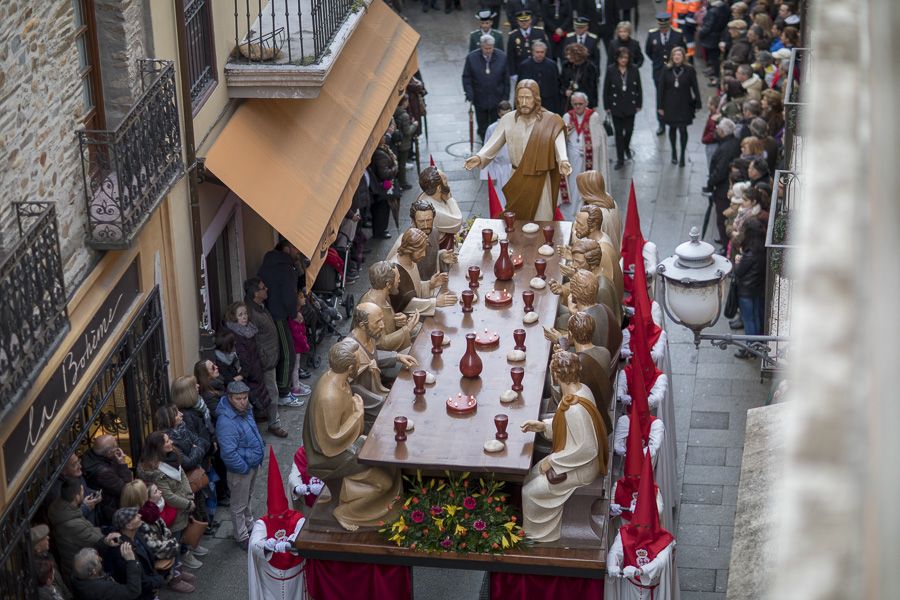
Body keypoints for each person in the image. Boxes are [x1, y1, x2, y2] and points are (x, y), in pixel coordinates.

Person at [303, 339, 402, 531]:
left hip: (343, 446)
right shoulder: (329, 396)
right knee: (384, 481)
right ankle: (346, 512)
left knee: (389, 455)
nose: (360, 365)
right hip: (329, 455)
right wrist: (358, 413)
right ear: (349, 368)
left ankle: (366, 497)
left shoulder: (339, 380)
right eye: (358, 363)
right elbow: (331, 440)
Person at [519, 351, 608, 543]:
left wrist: (552, 461)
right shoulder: (580, 390)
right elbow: (570, 430)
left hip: (581, 467)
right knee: (530, 475)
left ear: (556, 375)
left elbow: (587, 448)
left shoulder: (575, 407)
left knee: (530, 492)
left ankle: (539, 537)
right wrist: (544, 426)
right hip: (571, 461)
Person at [464, 79, 573, 221]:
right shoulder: (508, 120)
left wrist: (563, 160)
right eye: (520, 98)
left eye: (528, 98)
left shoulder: (551, 121)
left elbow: (558, 141)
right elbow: (494, 143)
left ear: (536, 98)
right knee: (516, 221)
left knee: (542, 219)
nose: (523, 102)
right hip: (517, 178)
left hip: (541, 181)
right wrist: (480, 157)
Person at [605, 449, 677, 600]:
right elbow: (615, 551)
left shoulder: (666, 541)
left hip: (654, 590)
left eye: (646, 527)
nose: (641, 531)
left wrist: (639, 571)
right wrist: (612, 565)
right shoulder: (624, 533)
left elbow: (659, 563)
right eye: (638, 527)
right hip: (630, 588)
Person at [136, 431, 207, 568]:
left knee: (185, 529)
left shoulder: (172, 457)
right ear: (158, 448)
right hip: (174, 508)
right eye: (167, 442)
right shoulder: (155, 470)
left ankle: (189, 548)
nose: (171, 443)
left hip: (184, 501)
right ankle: (180, 560)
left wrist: (189, 495)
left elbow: (183, 477)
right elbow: (167, 495)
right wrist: (187, 503)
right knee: (176, 535)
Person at [347, 302, 419, 430]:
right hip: (367, 409)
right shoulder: (352, 351)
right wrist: (381, 402)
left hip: (378, 396)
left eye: (382, 320)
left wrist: (396, 357)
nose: (382, 325)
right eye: (377, 322)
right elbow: (352, 389)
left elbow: (372, 357)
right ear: (362, 325)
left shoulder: (370, 335)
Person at [248, 448, 307, 600]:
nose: (278, 518)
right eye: (274, 515)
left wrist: (292, 542)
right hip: (270, 580)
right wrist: (268, 545)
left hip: (296, 578)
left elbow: (302, 534)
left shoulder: (297, 518)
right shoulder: (262, 523)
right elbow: (254, 543)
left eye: (281, 514)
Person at [216, 381, 266, 549]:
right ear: (230, 398)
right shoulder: (226, 422)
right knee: (239, 504)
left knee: (248, 498)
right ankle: (241, 535)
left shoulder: (246, 410)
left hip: (251, 464)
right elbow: (228, 453)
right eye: (239, 398)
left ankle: (250, 525)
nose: (243, 401)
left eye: (245, 397)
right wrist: (244, 468)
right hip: (241, 469)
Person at [47, 478, 123, 580]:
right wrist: (109, 538)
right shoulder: (73, 525)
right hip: (82, 571)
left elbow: (74, 516)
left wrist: (85, 507)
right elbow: (98, 541)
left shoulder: (61, 507)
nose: (84, 492)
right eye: (82, 490)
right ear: (77, 497)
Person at [257, 240, 303, 407]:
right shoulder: (286, 269)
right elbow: (288, 294)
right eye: (296, 249)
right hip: (279, 315)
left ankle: (289, 385)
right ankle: (284, 391)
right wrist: (294, 313)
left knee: (285, 350)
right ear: (286, 249)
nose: (298, 253)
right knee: (288, 352)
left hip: (270, 311)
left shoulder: (268, 262)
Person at [243, 277, 290, 436]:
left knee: (267, 390)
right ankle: (274, 423)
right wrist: (263, 356)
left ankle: (266, 414)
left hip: (269, 357)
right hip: (265, 360)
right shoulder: (251, 313)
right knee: (272, 391)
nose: (266, 289)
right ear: (256, 293)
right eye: (263, 288)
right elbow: (252, 339)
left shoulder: (259, 307)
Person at [223, 302, 272, 422]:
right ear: (233, 317)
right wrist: (245, 374)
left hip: (256, 372)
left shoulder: (249, 330)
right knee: (251, 405)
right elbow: (244, 359)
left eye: (245, 314)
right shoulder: (236, 336)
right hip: (250, 376)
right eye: (240, 315)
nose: (244, 317)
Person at [390, 228, 457, 316]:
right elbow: (405, 305)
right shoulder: (396, 270)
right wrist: (435, 302)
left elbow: (414, 289)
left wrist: (430, 284)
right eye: (420, 251)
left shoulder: (412, 261)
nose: (424, 254)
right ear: (409, 250)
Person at [359, 261, 420, 352]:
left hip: (392, 345)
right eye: (398, 279)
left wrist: (399, 322)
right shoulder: (371, 307)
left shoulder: (384, 296)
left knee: (421, 329)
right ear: (388, 284)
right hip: (381, 357)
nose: (399, 281)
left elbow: (389, 326)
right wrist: (407, 328)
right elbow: (380, 344)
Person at [560, 91, 609, 206]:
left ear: (586, 103)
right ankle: (572, 209)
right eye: (575, 104)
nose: (578, 106)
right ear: (572, 103)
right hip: (572, 158)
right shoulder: (567, 117)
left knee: (588, 184)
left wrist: (590, 149)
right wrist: (566, 132)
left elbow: (599, 140)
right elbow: (560, 140)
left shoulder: (594, 117)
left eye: (580, 104)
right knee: (573, 184)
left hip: (590, 158)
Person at [106, 507, 165, 600]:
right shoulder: (122, 550)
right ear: (129, 526)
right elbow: (139, 580)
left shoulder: (136, 534)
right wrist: (159, 581)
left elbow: (148, 561)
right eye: (135, 516)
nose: (140, 515)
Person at [657, 47, 701, 167]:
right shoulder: (666, 69)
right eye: (675, 55)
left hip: (684, 103)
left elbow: (695, 87)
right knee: (672, 129)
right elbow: (661, 89)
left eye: (679, 55)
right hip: (669, 104)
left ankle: (682, 155)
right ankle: (674, 153)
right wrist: (659, 106)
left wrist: (698, 103)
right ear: (672, 57)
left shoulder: (689, 69)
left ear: (683, 57)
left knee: (683, 129)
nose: (677, 57)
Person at [462, 35, 510, 141]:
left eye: (490, 48)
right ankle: (484, 146)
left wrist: (505, 97)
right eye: (485, 48)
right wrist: (469, 94)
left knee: (496, 126)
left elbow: (506, 79)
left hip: (497, 98)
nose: (488, 51)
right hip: (479, 98)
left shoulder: (502, 57)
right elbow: (466, 77)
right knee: (482, 126)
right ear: (481, 46)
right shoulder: (471, 57)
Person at [645, 12, 685, 136]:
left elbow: (683, 50)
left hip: (674, 71)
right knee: (660, 97)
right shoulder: (652, 34)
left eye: (665, 26)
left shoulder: (678, 34)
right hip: (658, 72)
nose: (663, 29)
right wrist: (658, 63)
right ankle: (661, 124)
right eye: (661, 26)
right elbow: (648, 51)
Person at [604, 46, 643, 170]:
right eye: (621, 57)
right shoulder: (611, 70)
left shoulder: (634, 69)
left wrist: (639, 104)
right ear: (617, 58)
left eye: (626, 57)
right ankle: (620, 159)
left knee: (630, 130)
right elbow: (606, 89)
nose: (623, 60)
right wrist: (606, 106)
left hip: (630, 105)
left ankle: (626, 147)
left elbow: (639, 88)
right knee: (618, 134)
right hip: (616, 106)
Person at [82, 435, 134, 526]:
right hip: (111, 511)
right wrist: (122, 464)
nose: (118, 445)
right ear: (109, 453)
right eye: (115, 444)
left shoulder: (93, 454)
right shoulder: (103, 472)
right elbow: (127, 489)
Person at [707, 118, 742, 245]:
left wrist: (710, 183)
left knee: (722, 218)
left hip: (723, 188)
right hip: (726, 185)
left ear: (723, 132)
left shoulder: (725, 148)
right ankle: (724, 240)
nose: (717, 131)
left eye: (719, 129)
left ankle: (725, 244)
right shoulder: (734, 142)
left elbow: (720, 171)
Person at [415, 167, 463, 251]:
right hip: (440, 251)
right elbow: (457, 222)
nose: (447, 182)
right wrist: (449, 199)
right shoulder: (431, 210)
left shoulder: (433, 195)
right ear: (439, 188)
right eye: (445, 180)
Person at [70, 546, 142, 600]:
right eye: (98, 560)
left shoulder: (76, 575)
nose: (101, 559)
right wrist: (131, 561)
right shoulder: (101, 589)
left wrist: (105, 543)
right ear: (93, 571)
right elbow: (133, 591)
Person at [479, 101, 514, 207]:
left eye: (508, 114)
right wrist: (490, 175)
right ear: (499, 113)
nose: (506, 117)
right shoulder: (492, 129)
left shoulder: (517, 126)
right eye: (503, 114)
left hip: (513, 168)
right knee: (499, 198)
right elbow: (486, 152)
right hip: (498, 169)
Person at [576, 170, 622, 250]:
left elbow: (590, 242)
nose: (580, 193)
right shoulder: (610, 200)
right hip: (614, 250)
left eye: (581, 189)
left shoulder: (594, 213)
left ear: (587, 190)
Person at [518, 41, 562, 115]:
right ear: (533, 52)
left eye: (542, 52)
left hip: (549, 101)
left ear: (545, 52)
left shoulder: (552, 65)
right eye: (537, 52)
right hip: (530, 100)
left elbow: (556, 85)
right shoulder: (525, 65)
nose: (540, 54)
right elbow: (520, 86)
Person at [506, 11, 550, 84]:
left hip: (539, 68)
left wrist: (547, 68)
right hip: (521, 70)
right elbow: (510, 56)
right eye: (521, 21)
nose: (524, 23)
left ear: (530, 20)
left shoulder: (539, 32)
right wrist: (512, 73)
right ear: (517, 21)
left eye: (526, 20)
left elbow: (547, 51)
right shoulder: (513, 35)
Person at [31, 525, 72, 599]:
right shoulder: (37, 569)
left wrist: (69, 596)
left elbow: (60, 581)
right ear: (37, 547)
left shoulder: (49, 555)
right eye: (44, 538)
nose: (48, 537)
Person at [697, 0, 729, 85]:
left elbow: (708, 26)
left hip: (711, 38)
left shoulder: (713, 11)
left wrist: (700, 33)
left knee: (714, 58)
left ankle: (716, 77)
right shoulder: (725, 7)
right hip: (719, 36)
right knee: (716, 58)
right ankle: (714, 72)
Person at [560, 43, 600, 109]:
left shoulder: (590, 67)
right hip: (569, 102)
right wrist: (565, 91)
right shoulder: (566, 65)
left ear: (577, 55)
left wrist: (594, 105)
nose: (567, 57)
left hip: (585, 101)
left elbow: (593, 88)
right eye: (567, 54)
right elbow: (561, 82)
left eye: (570, 54)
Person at [287, 297, 312, 398]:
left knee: (295, 367)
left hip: (296, 347)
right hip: (296, 347)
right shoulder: (295, 318)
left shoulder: (297, 314)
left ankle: (296, 383)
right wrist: (305, 345)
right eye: (301, 297)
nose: (304, 299)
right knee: (295, 368)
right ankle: (296, 388)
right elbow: (298, 335)